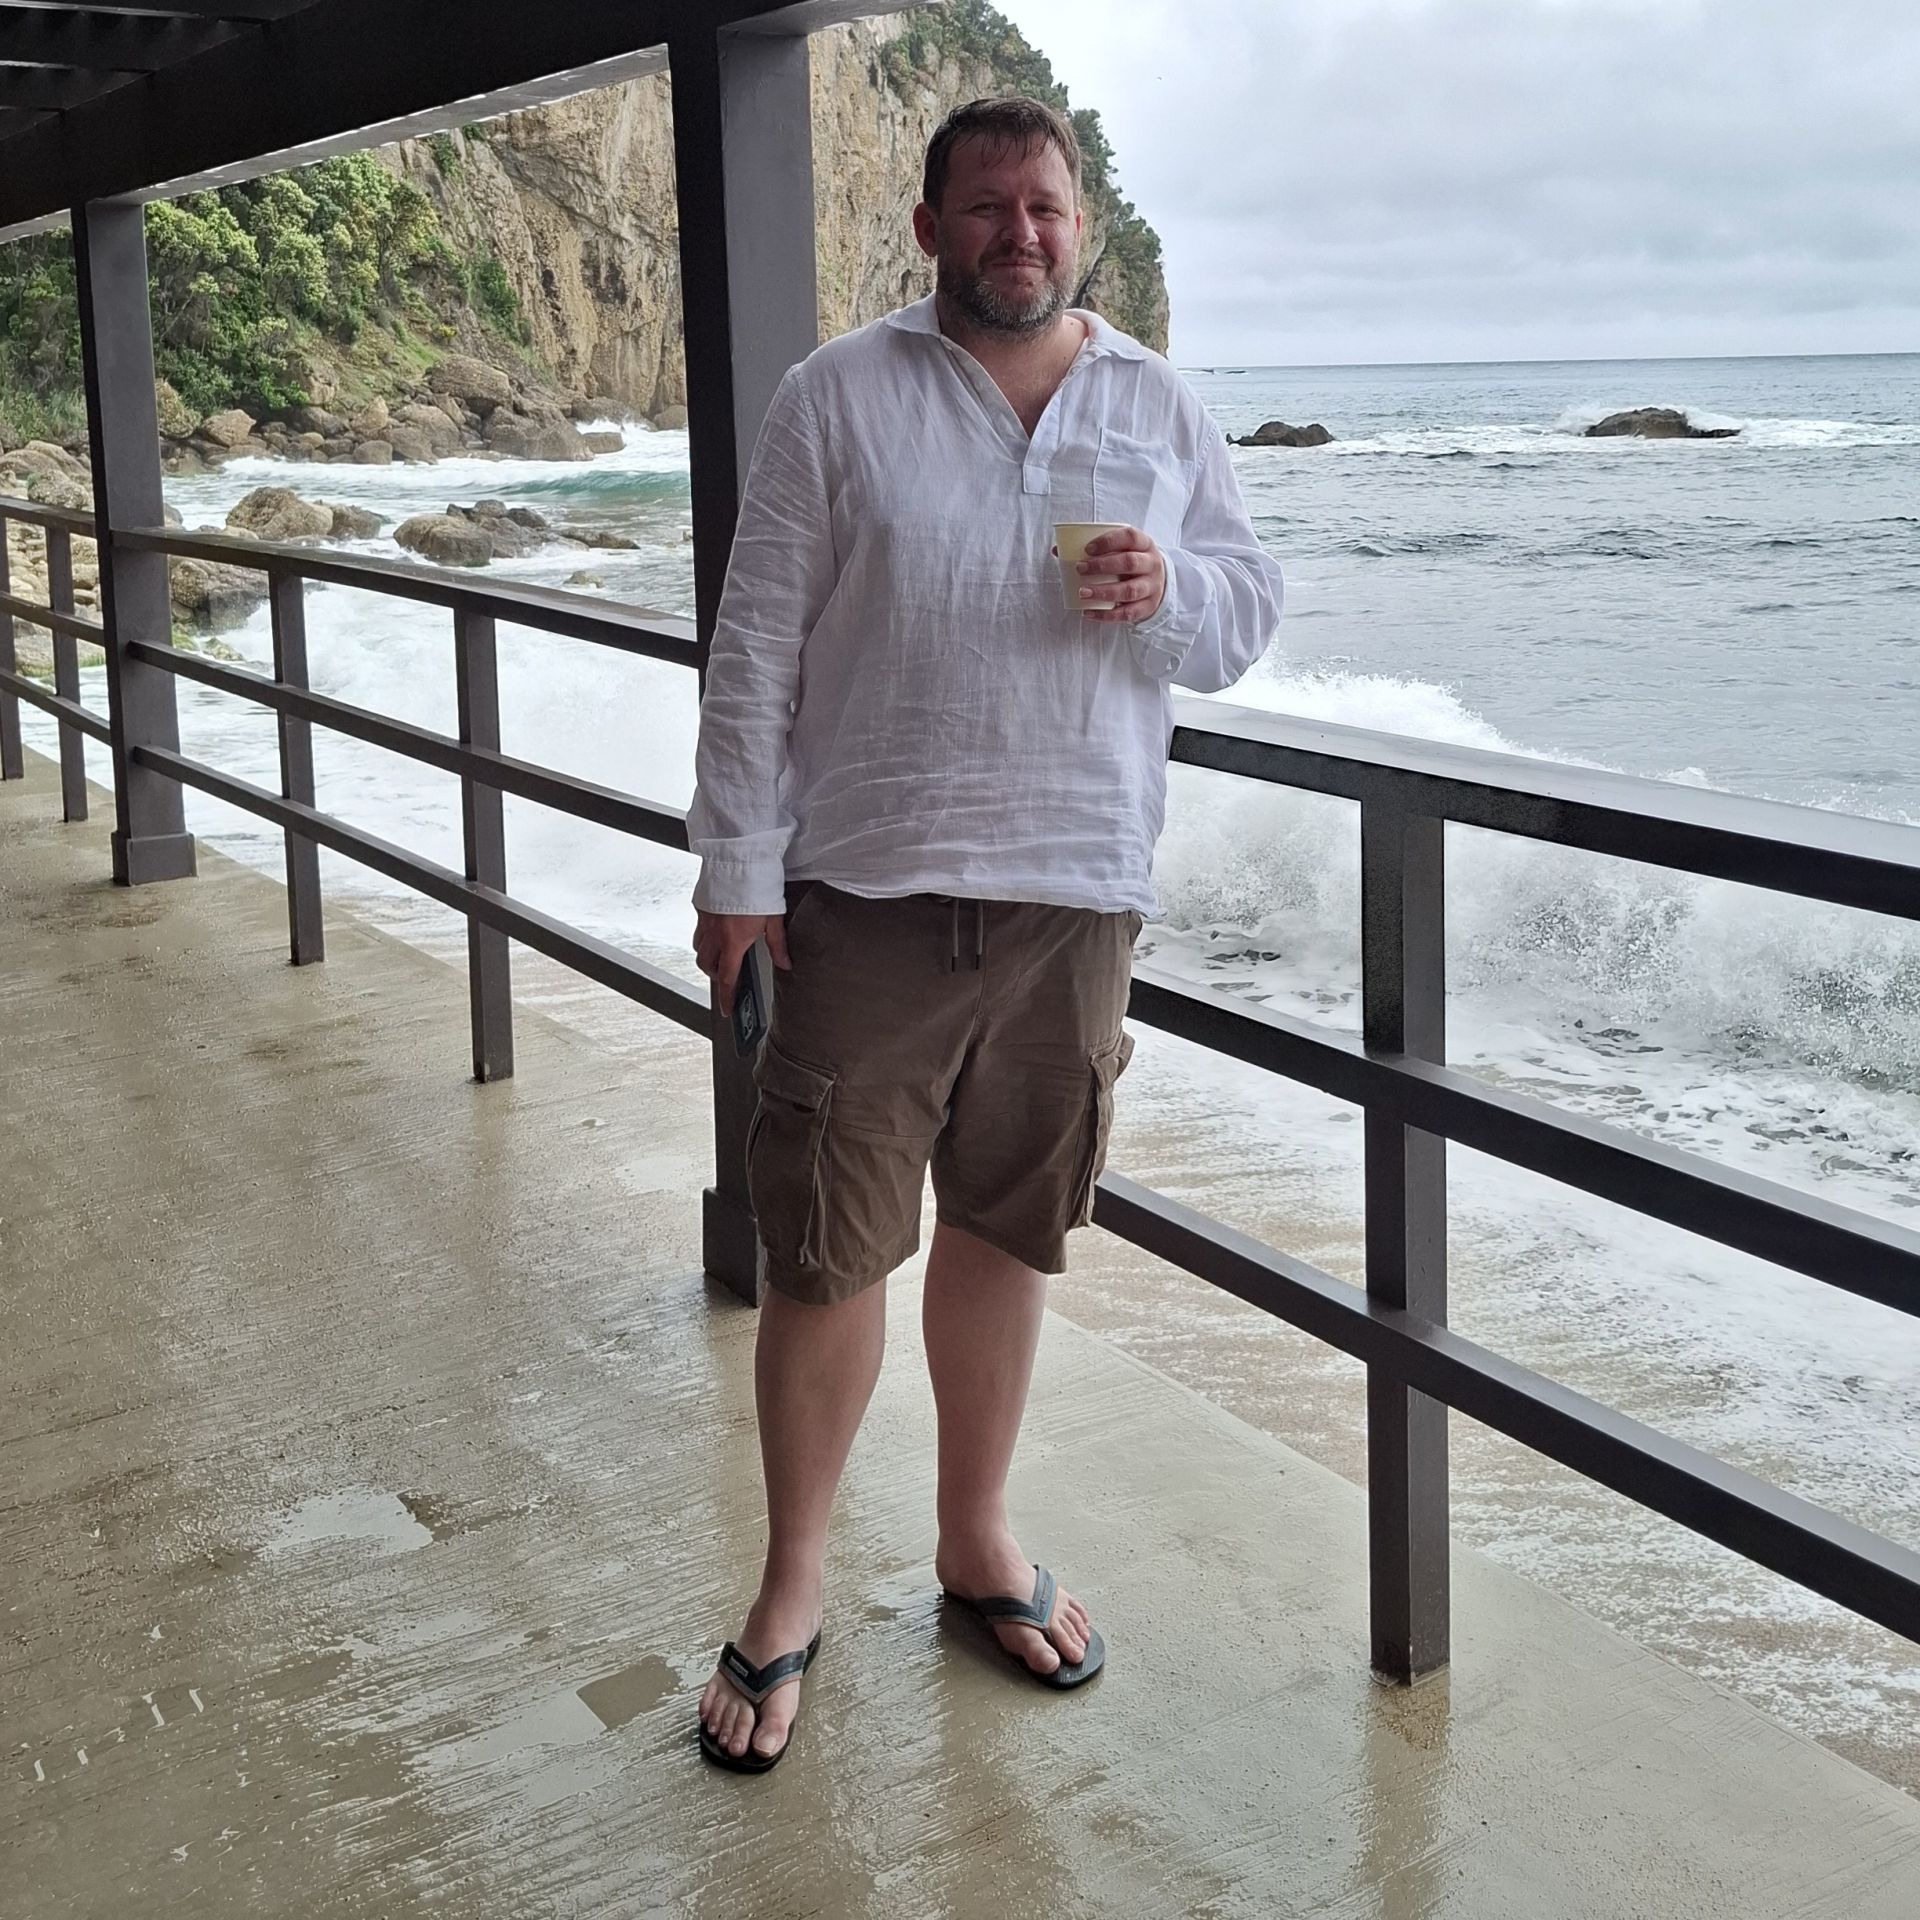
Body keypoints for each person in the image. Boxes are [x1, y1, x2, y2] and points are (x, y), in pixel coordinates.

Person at [689, 95, 1283, 1773]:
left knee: (1012, 1231)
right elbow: (756, 645)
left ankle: (974, 1538)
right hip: (863, 893)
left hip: (1077, 896)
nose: (1020, 233)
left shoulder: (1154, 399)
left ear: (1078, 225)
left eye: (1046, 207)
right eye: (987, 206)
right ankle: (794, 1580)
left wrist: (1168, 590)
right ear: (932, 226)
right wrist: (737, 872)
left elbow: (1243, 612)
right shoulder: (838, 394)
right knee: (825, 1250)